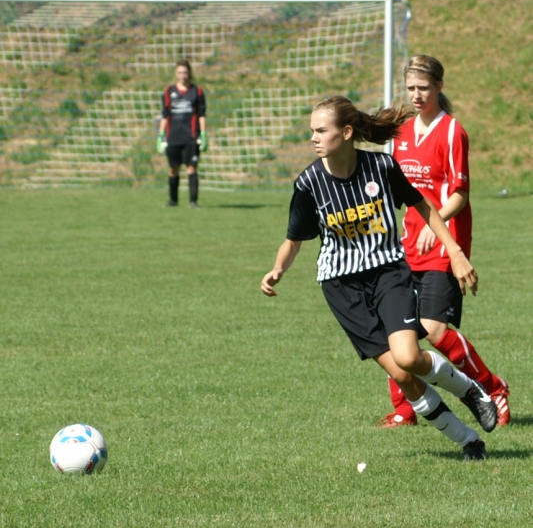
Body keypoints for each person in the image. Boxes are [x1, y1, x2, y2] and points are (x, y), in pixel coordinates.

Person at [261, 96, 498, 461]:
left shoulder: (382, 166)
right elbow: (293, 240)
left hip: (388, 272)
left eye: (321, 130)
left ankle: (471, 391)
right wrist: (278, 269)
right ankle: (468, 440)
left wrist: (453, 249)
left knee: (409, 357)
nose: (314, 138)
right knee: (402, 376)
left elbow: (422, 205)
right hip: (341, 287)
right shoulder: (309, 183)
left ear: (347, 132)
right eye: (312, 131)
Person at [378, 55, 510, 429]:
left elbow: (460, 194)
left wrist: (431, 225)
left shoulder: (453, 132)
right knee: (397, 326)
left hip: (442, 243)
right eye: (410, 88)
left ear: (439, 86)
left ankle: (493, 388)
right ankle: (405, 409)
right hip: (406, 245)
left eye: (423, 88)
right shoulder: (401, 134)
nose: (416, 95)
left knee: (433, 330)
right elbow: (396, 190)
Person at [158, 59, 208, 209]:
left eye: (185, 72)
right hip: (173, 136)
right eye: (179, 72)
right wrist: (160, 134)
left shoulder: (197, 91)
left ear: (189, 73)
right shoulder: (169, 91)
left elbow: (201, 115)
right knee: (173, 168)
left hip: (191, 136)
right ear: (176, 73)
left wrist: (203, 134)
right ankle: (173, 200)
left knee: (191, 168)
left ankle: (193, 201)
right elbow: (165, 115)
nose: (182, 75)